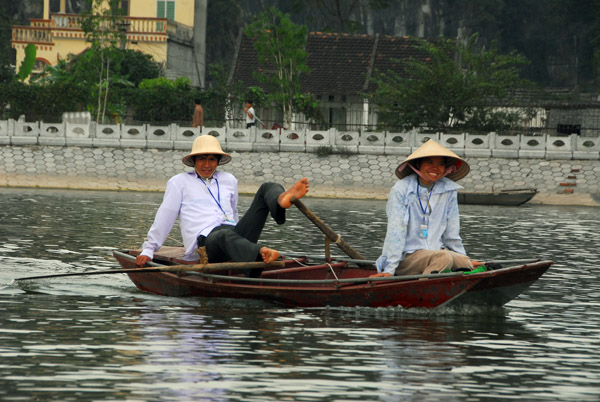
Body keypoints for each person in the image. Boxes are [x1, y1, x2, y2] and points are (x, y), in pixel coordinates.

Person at [135, 135, 309, 271]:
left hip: (233, 234)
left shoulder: (229, 180)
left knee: (266, 188)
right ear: (194, 161)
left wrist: (239, 238)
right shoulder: (179, 182)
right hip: (206, 243)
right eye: (202, 159)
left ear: (218, 161)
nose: (207, 164)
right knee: (222, 235)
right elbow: (165, 217)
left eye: (212, 159)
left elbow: (232, 214)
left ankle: (280, 201)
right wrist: (149, 249)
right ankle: (259, 252)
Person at [371, 139, 482, 278]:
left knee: (463, 262)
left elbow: (452, 232)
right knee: (444, 258)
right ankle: (422, 285)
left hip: (436, 253)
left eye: (441, 164)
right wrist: (389, 269)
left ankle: (448, 269)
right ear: (418, 164)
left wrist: (464, 260)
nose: (435, 168)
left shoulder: (449, 190)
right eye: (429, 162)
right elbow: (396, 231)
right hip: (407, 257)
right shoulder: (402, 189)